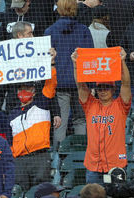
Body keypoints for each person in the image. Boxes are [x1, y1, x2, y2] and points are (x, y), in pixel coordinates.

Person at [71, 48, 131, 184]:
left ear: (113, 89)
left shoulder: (120, 105)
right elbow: (80, 86)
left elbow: (126, 84)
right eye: (100, 88)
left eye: (106, 87)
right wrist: (76, 65)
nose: (103, 91)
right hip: (94, 166)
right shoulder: (90, 105)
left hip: (115, 164)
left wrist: (122, 62)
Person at [44, 0, 93, 146]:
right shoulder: (84, 30)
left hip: (59, 85)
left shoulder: (50, 31)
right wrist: (91, 85)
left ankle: (58, 158)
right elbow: (89, 60)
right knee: (81, 121)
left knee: (60, 121)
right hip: (81, 84)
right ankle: (81, 154)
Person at [7, 79, 61, 191]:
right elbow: (9, 140)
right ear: (17, 92)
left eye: (27, 89)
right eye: (21, 89)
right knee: (19, 191)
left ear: (34, 91)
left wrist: (51, 65)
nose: (24, 91)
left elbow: (51, 86)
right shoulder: (12, 114)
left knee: (42, 191)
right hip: (19, 160)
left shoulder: (41, 105)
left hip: (39, 157)